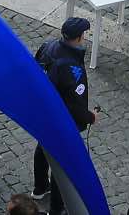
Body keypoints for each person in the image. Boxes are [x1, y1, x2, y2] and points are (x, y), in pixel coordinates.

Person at [30, 17, 95, 210]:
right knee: (63, 167)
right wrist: (90, 117)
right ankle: (57, 208)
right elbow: (75, 105)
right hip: (62, 123)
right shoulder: (73, 68)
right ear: (78, 38)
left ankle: (40, 187)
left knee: (43, 149)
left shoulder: (47, 46)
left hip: (44, 115)